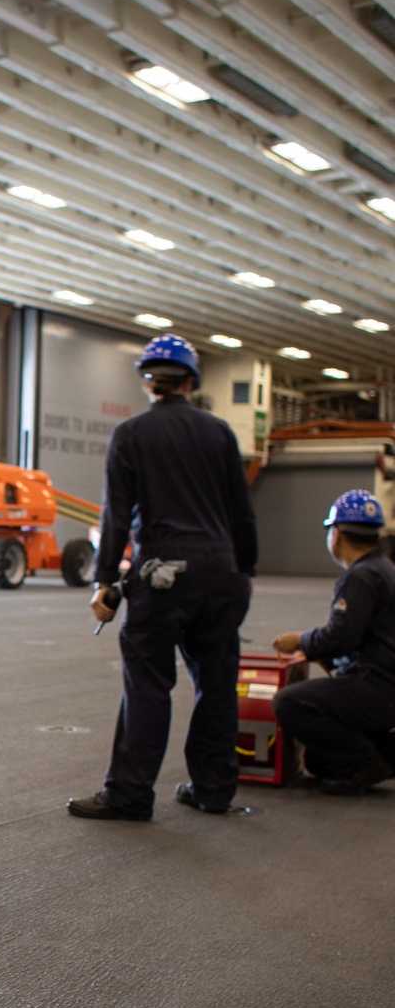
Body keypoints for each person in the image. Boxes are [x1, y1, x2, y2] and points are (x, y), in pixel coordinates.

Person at [67, 333, 257, 822]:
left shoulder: (131, 434)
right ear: (191, 382)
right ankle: (214, 790)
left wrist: (105, 579)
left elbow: (115, 514)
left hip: (162, 573)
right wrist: (243, 572)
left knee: (148, 683)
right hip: (221, 572)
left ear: (148, 383)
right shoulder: (220, 434)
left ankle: (131, 794)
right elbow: (242, 512)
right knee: (217, 685)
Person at [271, 489, 395, 795]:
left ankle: (363, 760)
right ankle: (385, 751)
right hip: (387, 684)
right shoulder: (385, 569)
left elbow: (341, 637)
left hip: (378, 687)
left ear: (336, 534)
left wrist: (300, 639)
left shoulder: (360, 577)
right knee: (319, 762)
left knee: (289, 702)